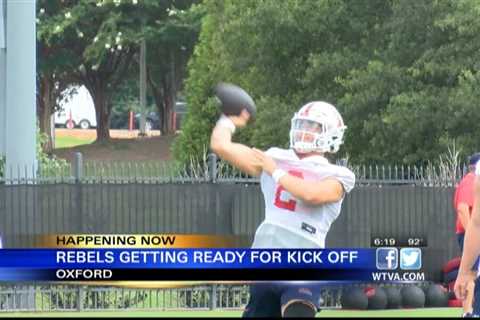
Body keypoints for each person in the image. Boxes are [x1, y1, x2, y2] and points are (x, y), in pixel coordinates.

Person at [210, 101, 355, 317]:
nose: (303, 131)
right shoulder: (276, 156)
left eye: (312, 127)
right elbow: (222, 146)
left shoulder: (337, 174)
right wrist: (228, 119)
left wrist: (275, 172)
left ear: (331, 134)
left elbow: (311, 195)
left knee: (298, 312)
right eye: (302, 124)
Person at [453, 153, 480, 317]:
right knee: (472, 275)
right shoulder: (469, 181)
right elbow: (463, 210)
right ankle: (467, 312)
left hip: (473, 236)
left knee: (472, 275)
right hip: (469, 235)